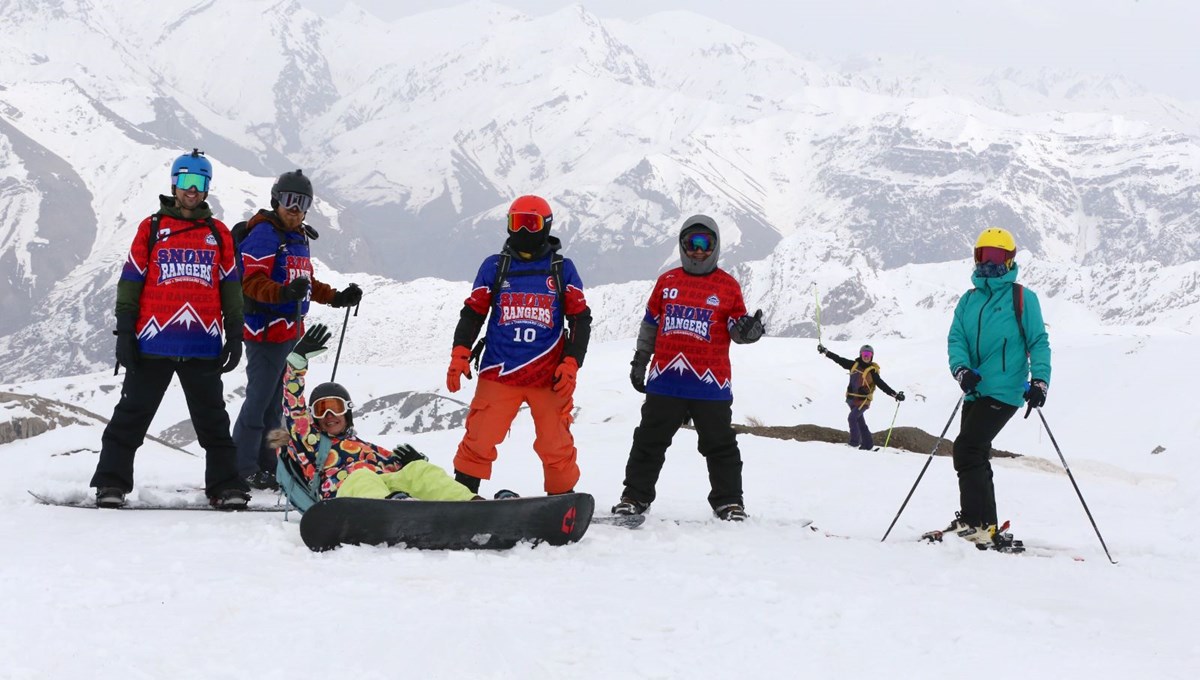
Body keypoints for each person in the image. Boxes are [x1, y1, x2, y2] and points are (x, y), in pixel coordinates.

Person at [90, 149, 250, 509]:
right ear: (174, 184)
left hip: (203, 342)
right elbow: (131, 280)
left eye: (199, 183)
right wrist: (125, 331)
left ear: (207, 188)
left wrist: (235, 332)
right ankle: (111, 484)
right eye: (185, 182)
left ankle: (225, 486)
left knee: (213, 421)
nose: (191, 190)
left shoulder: (218, 233)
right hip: (153, 341)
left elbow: (230, 284)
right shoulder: (151, 229)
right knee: (130, 417)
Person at [612, 215, 765, 521]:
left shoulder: (728, 286)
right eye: (691, 244)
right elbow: (650, 325)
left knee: (720, 445)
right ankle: (634, 498)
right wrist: (640, 361)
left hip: (710, 384)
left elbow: (737, 328)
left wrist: (750, 332)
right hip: (665, 380)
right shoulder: (667, 282)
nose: (698, 251)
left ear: (716, 246)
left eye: (705, 244)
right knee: (648, 441)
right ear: (682, 246)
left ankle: (729, 503)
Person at [445, 195, 592, 496]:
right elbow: (473, 312)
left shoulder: (562, 270)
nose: (524, 231)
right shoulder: (495, 267)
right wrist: (460, 352)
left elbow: (580, 318)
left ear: (546, 226)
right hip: (499, 369)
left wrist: (571, 362)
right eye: (517, 223)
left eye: (531, 224)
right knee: (480, 437)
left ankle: (562, 502)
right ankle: (462, 496)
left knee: (556, 443)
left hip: (548, 374)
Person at [231, 169, 363, 491]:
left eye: (302, 203)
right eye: (290, 200)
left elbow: (305, 283)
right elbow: (252, 282)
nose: (295, 208)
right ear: (276, 200)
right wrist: (282, 293)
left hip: (290, 333)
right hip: (265, 333)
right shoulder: (264, 235)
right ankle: (241, 467)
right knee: (258, 402)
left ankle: (268, 463)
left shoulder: (298, 237)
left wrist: (336, 297)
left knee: (277, 406)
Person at [269, 324, 478, 503]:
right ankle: (391, 510)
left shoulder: (366, 447)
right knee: (362, 476)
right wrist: (296, 365)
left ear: (347, 412)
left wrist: (414, 461)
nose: (330, 415)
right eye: (322, 410)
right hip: (344, 493)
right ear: (314, 417)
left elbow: (396, 468)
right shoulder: (312, 441)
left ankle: (470, 505)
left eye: (336, 407)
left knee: (420, 471)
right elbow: (293, 407)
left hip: (386, 489)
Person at [944, 227, 1051, 546]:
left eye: (997, 257)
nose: (989, 263)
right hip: (974, 389)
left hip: (1005, 390)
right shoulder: (968, 300)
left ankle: (979, 523)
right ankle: (978, 522)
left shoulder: (1022, 298)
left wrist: (1040, 382)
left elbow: (1038, 342)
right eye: (984, 256)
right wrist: (961, 370)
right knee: (973, 453)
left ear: (1009, 261)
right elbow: (956, 339)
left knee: (967, 449)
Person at [816, 343, 905, 450]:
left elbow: (882, 385)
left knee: (852, 418)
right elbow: (839, 359)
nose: (866, 356)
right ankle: (868, 445)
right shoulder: (853, 365)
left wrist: (895, 394)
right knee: (860, 422)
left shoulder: (872, 372)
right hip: (852, 400)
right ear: (861, 354)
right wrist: (826, 352)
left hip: (863, 401)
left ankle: (854, 443)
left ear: (872, 356)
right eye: (864, 353)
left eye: (868, 354)